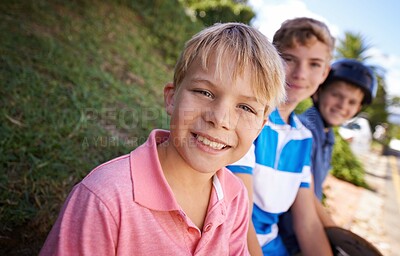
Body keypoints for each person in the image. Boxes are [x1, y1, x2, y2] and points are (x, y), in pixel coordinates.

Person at [39, 22, 287, 255]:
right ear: (171, 98)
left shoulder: (235, 197)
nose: (221, 119)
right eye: (205, 92)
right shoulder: (104, 199)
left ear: (260, 127)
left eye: (246, 108)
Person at [227, 17, 335, 256]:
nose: (300, 74)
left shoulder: (303, 137)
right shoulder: (249, 115)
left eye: (315, 64)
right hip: (231, 239)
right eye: (289, 59)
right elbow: (238, 215)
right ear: (272, 60)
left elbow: (307, 223)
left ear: (325, 72)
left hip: (272, 245)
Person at [279, 58, 377, 255]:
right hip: (289, 234)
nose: (342, 105)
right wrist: (340, 237)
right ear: (319, 91)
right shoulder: (305, 129)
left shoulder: (327, 134)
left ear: (358, 108)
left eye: (352, 102)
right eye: (336, 95)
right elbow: (305, 194)